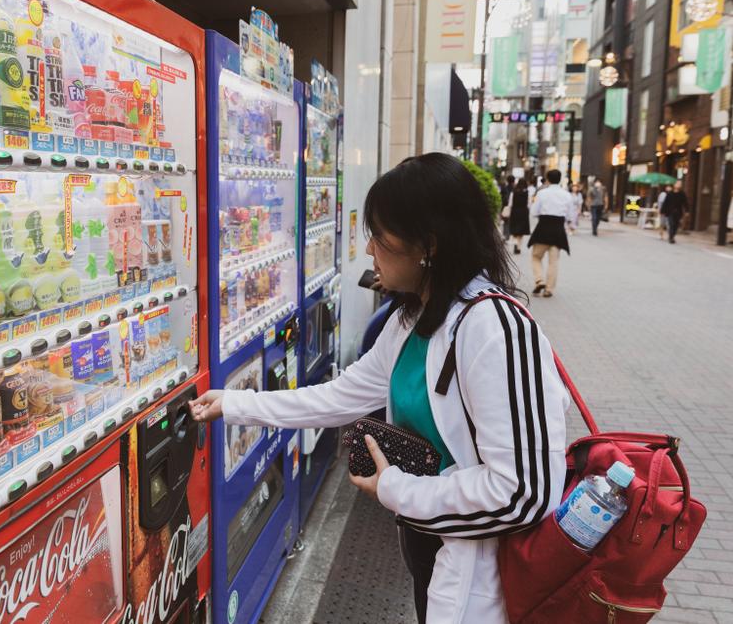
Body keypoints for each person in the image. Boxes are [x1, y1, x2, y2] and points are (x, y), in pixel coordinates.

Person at [189, 153, 569, 624]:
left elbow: (524, 493)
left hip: (493, 582)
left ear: (427, 245)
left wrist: (397, 489)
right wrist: (236, 403)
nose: (368, 249)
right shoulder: (415, 318)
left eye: (380, 236)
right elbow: (338, 396)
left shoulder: (495, 329)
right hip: (434, 550)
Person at [527, 170, 571, 298]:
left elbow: (534, 212)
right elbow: (569, 215)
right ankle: (549, 289)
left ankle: (539, 280)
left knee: (536, 257)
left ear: (547, 179)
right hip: (558, 230)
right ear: (560, 179)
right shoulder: (566, 195)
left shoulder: (542, 193)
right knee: (553, 262)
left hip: (543, 228)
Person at [507, 178, 531, 254]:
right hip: (524, 212)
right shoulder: (527, 193)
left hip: (514, 212)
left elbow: (510, 204)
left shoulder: (513, 193)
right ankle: (518, 247)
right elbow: (529, 204)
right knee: (521, 232)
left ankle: (515, 243)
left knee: (515, 230)